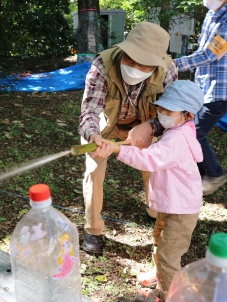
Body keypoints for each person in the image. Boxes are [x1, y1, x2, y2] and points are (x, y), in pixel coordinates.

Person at [90, 80, 203, 292]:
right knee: (159, 238)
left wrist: (117, 149)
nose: (161, 112)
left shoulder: (177, 138)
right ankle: (159, 274)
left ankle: (170, 298)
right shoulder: (179, 128)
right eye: (161, 107)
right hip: (172, 204)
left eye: (169, 110)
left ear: (188, 115)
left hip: (181, 210)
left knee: (169, 255)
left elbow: (149, 159)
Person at [78, 21, 178, 254]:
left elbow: (172, 113)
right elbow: (89, 111)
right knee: (93, 172)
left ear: (156, 64)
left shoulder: (168, 70)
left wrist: (151, 127)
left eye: (143, 64)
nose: (133, 66)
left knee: (154, 168)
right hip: (105, 126)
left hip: (145, 124)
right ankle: (92, 229)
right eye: (129, 58)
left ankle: (153, 213)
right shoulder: (102, 63)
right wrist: (94, 135)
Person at [174, 0, 227, 196]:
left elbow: (210, 54)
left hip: (222, 90)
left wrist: (174, 64)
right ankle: (197, 178)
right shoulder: (212, 14)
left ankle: (215, 175)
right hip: (204, 87)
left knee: (193, 132)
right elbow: (203, 51)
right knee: (188, 130)